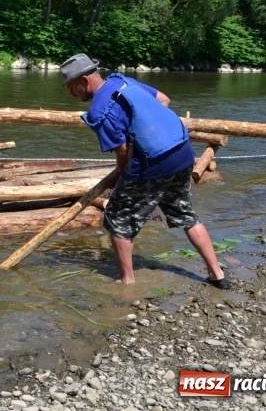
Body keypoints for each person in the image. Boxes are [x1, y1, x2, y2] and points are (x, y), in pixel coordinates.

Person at [60, 53, 230, 290]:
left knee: (117, 220)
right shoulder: (123, 81)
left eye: (71, 87)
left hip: (152, 164)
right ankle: (216, 273)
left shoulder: (99, 110)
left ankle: (126, 281)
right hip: (182, 153)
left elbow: (122, 151)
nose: (71, 94)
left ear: (85, 80)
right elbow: (164, 100)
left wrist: (120, 173)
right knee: (185, 215)